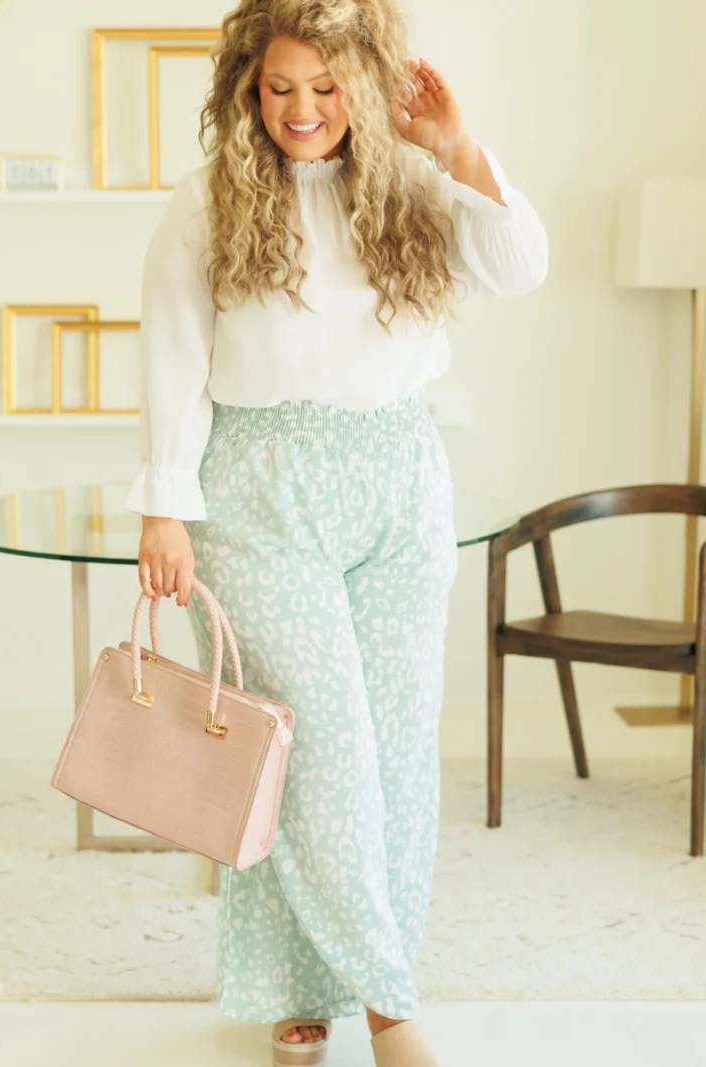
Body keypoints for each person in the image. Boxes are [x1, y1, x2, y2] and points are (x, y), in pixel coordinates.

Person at [126, 0, 547, 1063]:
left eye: (325, 87)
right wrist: (163, 506)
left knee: (396, 753)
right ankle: (393, 1008)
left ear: (363, 85)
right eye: (279, 87)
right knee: (309, 751)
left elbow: (520, 264)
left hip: (397, 480)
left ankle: (311, 982)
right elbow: (171, 356)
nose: (302, 108)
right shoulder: (207, 202)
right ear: (248, 87)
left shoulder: (417, 186)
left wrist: (455, 144)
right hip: (257, 488)